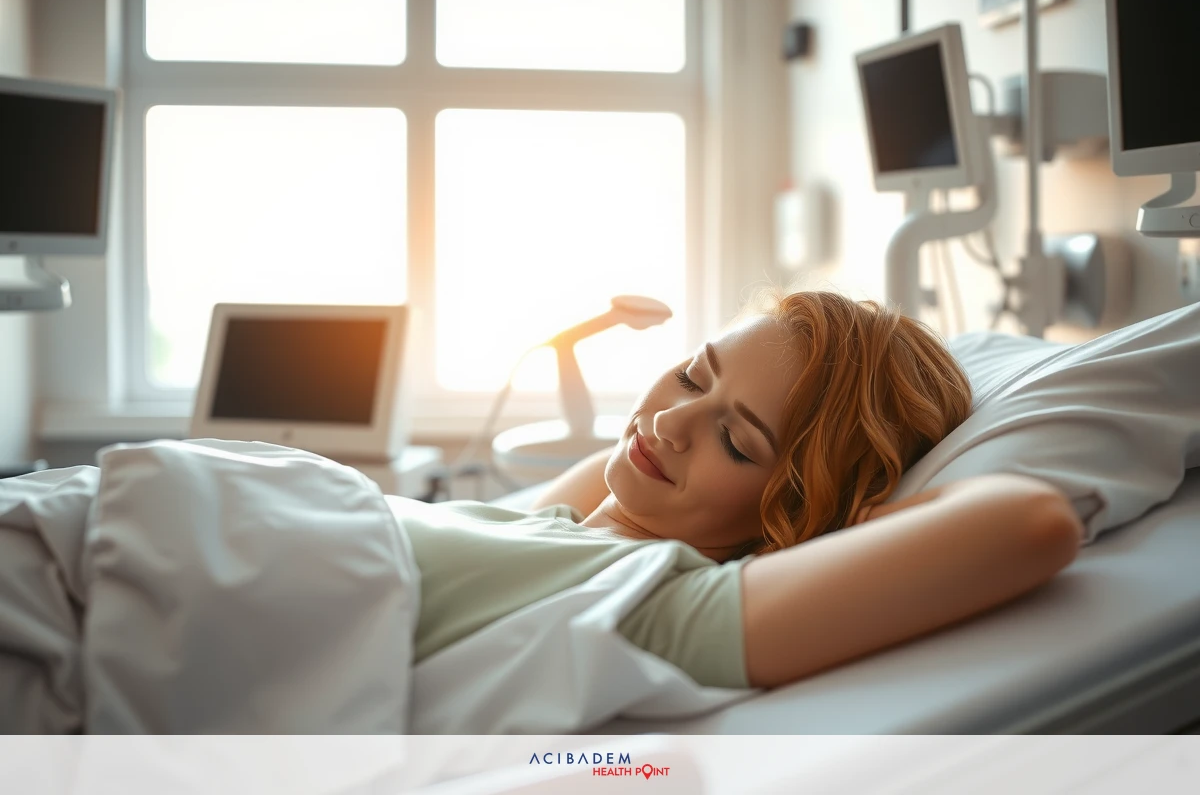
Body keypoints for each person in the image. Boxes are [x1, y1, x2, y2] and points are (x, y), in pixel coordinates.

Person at [405, 289, 1083, 690]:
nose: (668, 424)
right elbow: (617, 463)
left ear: (788, 510)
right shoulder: (562, 520)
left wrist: (843, 517)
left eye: (736, 441)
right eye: (692, 377)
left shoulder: (646, 605)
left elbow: (1031, 520)